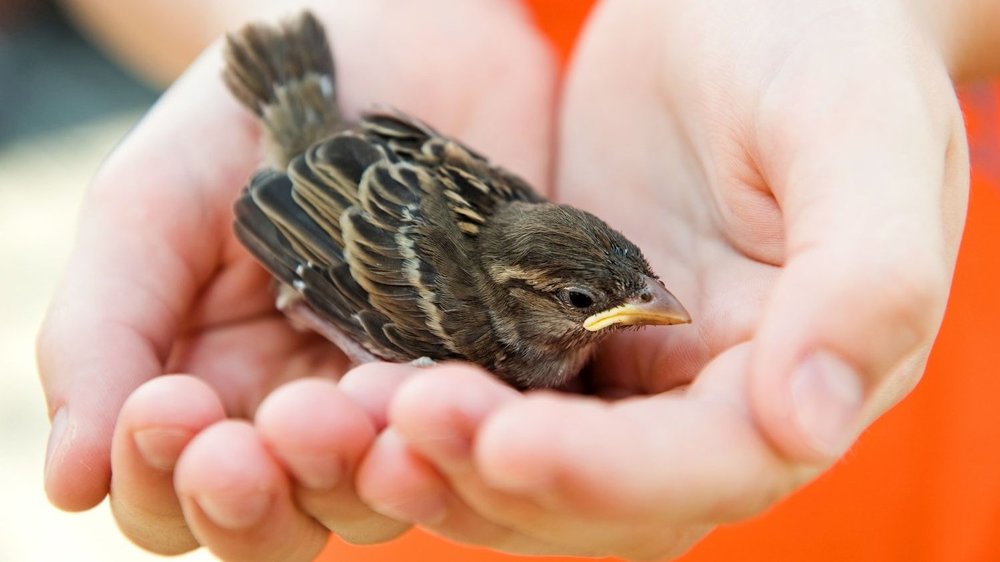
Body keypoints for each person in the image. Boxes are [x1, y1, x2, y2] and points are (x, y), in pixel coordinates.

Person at [36, 0, 1000, 560]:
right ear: (522, 300)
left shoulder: (528, 241)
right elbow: (325, 252)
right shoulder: (463, 320)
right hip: (405, 479)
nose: (638, 309)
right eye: (587, 303)